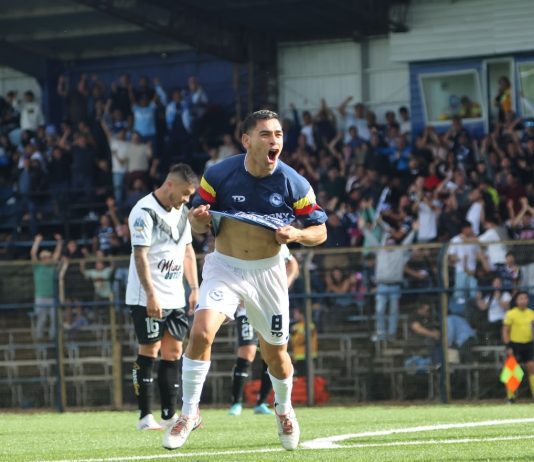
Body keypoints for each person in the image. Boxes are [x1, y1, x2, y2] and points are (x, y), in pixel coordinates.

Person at [162, 110, 327, 451]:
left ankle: (284, 409)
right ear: (247, 140)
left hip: (268, 273)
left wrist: (297, 234)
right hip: (225, 267)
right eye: (266, 134)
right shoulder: (218, 174)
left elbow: (321, 231)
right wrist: (198, 220)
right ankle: (188, 414)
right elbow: (198, 224)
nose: (274, 141)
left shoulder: (294, 182)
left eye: (278, 134)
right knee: (200, 332)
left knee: (275, 355)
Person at [126, 163, 199, 431]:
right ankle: (145, 417)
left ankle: (169, 415)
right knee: (150, 350)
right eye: (185, 193)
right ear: (170, 185)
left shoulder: (183, 213)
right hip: (147, 297)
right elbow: (140, 255)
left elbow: (188, 251)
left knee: (174, 352)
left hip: (175, 296)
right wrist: (151, 295)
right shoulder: (143, 211)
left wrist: (194, 288)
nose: (187, 199)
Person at [228, 244, 299, 416]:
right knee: (247, 351)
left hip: (270, 307)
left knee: (271, 354)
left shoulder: (276, 243)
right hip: (246, 308)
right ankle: (236, 402)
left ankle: (261, 402)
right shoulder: (242, 241)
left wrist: (285, 285)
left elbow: (293, 264)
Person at [502, 291, 534, 403]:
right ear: (516, 301)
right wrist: (508, 346)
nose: (523, 301)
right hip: (515, 345)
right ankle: (511, 397)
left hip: (529, 344)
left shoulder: (531, 313)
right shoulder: (511, 314)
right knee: (512, 370)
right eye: (521, 298)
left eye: (525, 298)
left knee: (532, 368)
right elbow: (505, 331)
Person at [30, 234, 63, 341]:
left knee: (54, 319)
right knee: (41, 319)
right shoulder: (37, 267)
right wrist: (37, 241)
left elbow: (57, 254)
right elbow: (33, 253)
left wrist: (59, 242)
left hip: (52, 297)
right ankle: (39, 339)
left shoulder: (52, 266)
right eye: (45, 257)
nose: (47, 259)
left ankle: (53, 339)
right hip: (41, 297)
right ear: (42, 259)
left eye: (49, 257)